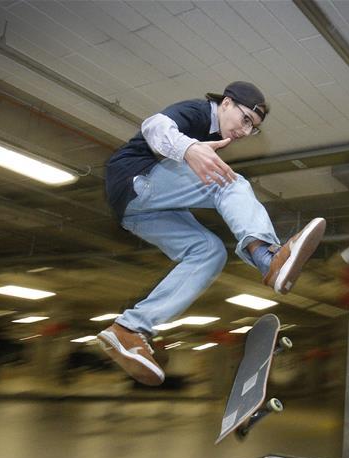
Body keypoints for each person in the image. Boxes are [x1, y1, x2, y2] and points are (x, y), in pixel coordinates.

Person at [97, 82, 325, 386]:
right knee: (229, 182)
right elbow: (154, 126)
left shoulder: (217, 135)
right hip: (134, 180)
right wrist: (189, 148)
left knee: (210, 252)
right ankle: (267, 258)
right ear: (227, 103)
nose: (245, 132)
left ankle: (129, 329)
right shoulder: (199, 113)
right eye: (245, 120)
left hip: (137, 214)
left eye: (253, 128)